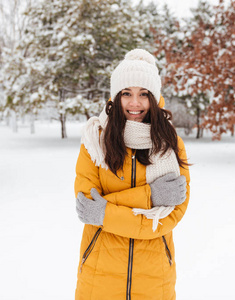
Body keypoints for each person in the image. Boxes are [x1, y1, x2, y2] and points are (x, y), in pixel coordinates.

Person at [74, 49, 190, 300]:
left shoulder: (170, 143)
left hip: (154, 277)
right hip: (99, 274)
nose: (134, 103)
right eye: (127, 93)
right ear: (116, 97)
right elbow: (87, 206)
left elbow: (173, 213)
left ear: (154, 98)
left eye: (143, 94)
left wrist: (106, 213)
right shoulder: (95, 141)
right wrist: (151, 198)